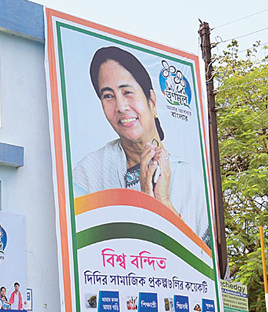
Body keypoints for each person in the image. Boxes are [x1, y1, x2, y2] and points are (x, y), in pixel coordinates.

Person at [73, 46, 209, 243]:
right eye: (108, 96)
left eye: (127, 92)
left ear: (152, 101)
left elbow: (203, 262)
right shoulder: (90, 172)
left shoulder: (190, 180)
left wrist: (162, 202)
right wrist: (144, 201)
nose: (121, 107)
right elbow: (82, 247)